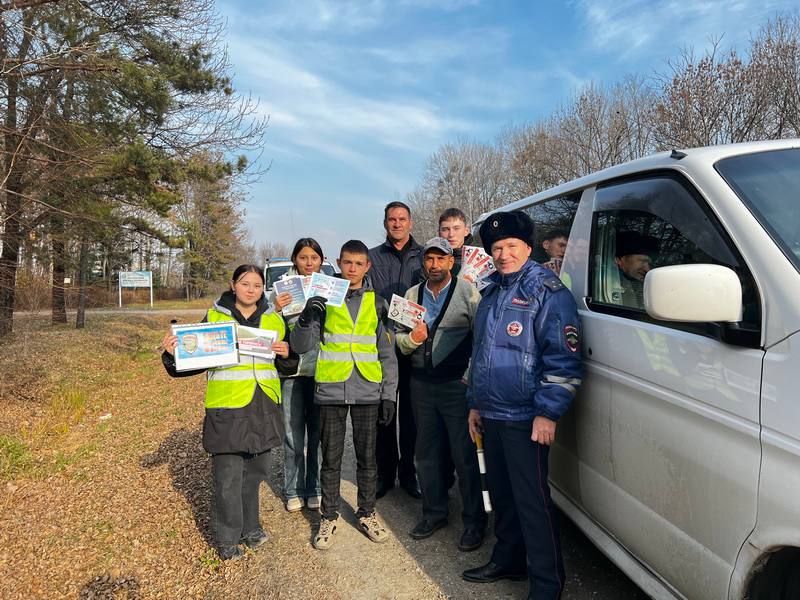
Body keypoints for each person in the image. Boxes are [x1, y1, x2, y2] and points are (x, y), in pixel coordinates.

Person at [462, 212, 582, 600]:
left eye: (511, 246)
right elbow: (480, 353)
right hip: (492, 412)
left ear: (528, 248)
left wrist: (548, 411)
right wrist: (475, 404)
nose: (502, 254)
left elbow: (562, 356)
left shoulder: (547, 291)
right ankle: (508, 560)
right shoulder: (492, 291)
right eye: (496, 248)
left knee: (533, 503)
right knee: (503, 494)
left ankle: (547, 585)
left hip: (526, 416)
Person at [161, 265, 293, 561]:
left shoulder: (274, 319)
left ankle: (251, 528)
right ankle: (227, 540)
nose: (251, 289)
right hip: (228, 410)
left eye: (257, 285)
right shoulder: (216, 317)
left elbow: (284, 364)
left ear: (263, 289)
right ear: (233, 285)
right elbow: (193, 361)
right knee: (228, 479)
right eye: (245, 283)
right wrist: (172, 355)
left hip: (263, 408)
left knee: (256, 474)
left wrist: (288, 355)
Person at [291, 240, 399, 550]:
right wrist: (306, 316)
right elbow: (301, 346)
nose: (352, 269)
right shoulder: (323, 300)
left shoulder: (377, 304)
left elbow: (387, 354)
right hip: (331, 390)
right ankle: (329, 516)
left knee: (368, 459)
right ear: (339, 263)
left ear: (368, 267)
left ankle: (366, 512)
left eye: (358, 264)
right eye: (347, 263)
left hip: (368, 391)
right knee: (332, 460)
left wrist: (389, 394)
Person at [396, 237, 487, 551]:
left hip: (455, 387)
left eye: (441, 259)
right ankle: (434, 513)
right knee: (428, 454)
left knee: (464, 457)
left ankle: (474, 522)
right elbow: (399, 340)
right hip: (421, 385)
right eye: (429, 259)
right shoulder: (412, 294)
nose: (434, 265)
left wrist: (468, 377)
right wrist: (412, 339)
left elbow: (482, 339)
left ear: (452, 262)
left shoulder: (467, 293)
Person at [368, 201, 422, 499]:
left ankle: (409, 473)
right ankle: (384, 474)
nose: (397, 224)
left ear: (410, 223)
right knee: (384, 413)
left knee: (412, 417)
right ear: (385, 222)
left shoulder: (425, 255)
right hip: (383, 344)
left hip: (414, 344)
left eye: (402, 219)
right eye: (392, 219)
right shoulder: (373, 258)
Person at [271, 238, 325, 513]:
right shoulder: (281, 289)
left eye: (314, 258)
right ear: (295, 259)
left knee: (317, 435)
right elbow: (268, 328)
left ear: (321, 261)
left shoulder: (330, 287)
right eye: (303, 257)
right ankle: (293, 489)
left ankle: (313, 487)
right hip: (291, 372)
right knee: (293, 436)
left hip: (321, 371)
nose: (309, 263)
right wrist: (276, 309)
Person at [614, 230, 659, 308]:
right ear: (619, 260)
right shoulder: (609, 283)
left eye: (649, 264)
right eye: (642, 261)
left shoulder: (637, 284)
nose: (648, 269)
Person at [437, 207, 473, 277]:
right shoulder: (431, 260)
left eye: (456, 228)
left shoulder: (479, 259)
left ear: (466, 231)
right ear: (439, 233)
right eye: (445, 229)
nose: (451, 234)